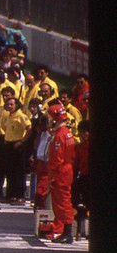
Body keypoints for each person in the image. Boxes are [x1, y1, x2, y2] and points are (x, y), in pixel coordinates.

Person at [45, 102, 76, 243]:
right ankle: (65, 230)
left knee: (61, 202)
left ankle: (67, 232)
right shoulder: (67, 133)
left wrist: (51, 177)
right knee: (64, 200)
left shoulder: (59, 136)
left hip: (60, 172)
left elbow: (57, 159)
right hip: (67, 169)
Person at [2, 96, 32, 204]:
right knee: (10, 171)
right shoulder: (9, 116)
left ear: (17, 105)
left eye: (12, 104)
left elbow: (29, 128)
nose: (9, 106)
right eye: (8, 104)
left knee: (19, 172)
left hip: (17, 145)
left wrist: (22, 141)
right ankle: (11, 195)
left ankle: (20, 196)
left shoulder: (21, 116)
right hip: (9, 145)